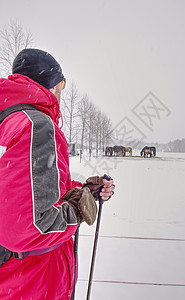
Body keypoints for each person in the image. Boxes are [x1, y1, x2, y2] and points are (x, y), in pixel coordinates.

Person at [0, 48, 115, 300]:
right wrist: (76, 209)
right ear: (47, 84)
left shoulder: (14, 121)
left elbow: (35, 189)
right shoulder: (37, 126)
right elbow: (29, 227)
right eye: (60, 83)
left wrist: (84, 190)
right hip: (34, 279)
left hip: (18, 278)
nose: (61, 91)